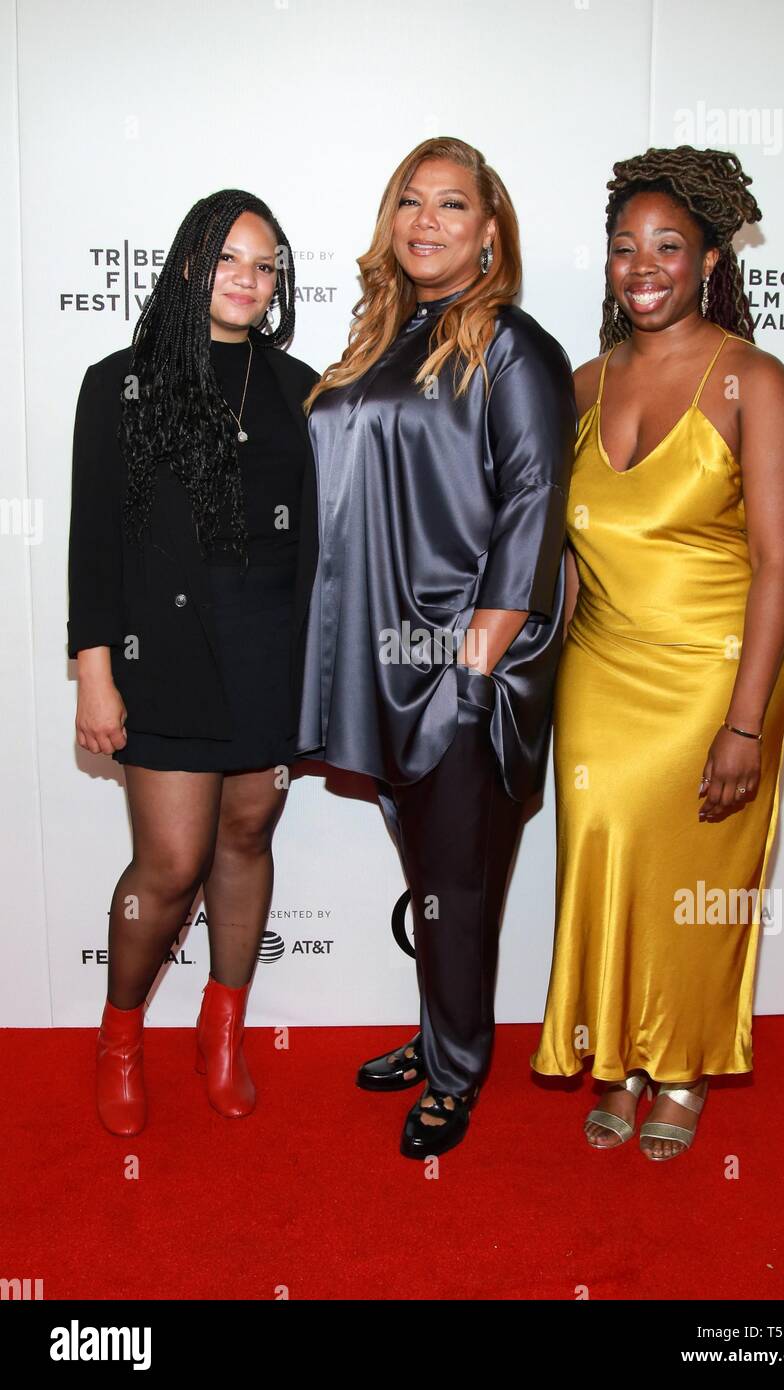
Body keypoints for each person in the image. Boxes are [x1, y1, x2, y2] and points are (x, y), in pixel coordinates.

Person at [293, 137, 576, 1159]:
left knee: (458, 885)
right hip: (377, 662)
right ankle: (437, 1033)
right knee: (429, 876)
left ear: (488, 231)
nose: (426, 221)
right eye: (409, 202)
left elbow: (535, 503)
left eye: (451, 205)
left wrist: (474, 661)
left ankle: (455, 1073)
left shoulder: (510, 344)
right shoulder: (378, 343)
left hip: (460, 669)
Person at [530, 146, 784, 1161]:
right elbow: (545, 542)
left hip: (715, 674)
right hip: (601, 673)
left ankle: (682, 1064)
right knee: (606, 860)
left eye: (664, 246)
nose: (640, 265)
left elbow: (777, 562)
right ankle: (621, 1051)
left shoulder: (752, 381)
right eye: (621, 248)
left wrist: (744, 722)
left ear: (703, 260)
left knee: (698, 877)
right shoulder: (578, 382)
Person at [67, 189, 319, 1135]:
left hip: (271, 652)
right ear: (187, 267)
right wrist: (96, 666)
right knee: (169, 864)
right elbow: (94, 541)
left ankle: (223, 1033)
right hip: (162, 653)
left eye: (266, 267)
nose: (248, 281)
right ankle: (120, 1038)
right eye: (229, 261)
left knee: (246, 839)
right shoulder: (115, 382)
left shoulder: (300, 389)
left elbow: (323, 544)